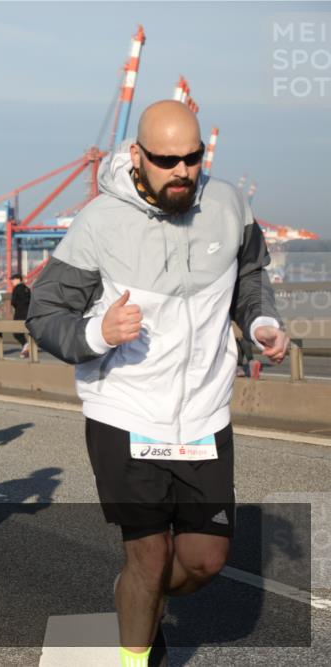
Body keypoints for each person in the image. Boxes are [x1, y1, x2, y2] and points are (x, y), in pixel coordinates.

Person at [26, 100, 289, 667]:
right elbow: (44, 314)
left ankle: (135, 602)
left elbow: (249, 276)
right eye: (168, 160)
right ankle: (133, 652)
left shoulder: (227, 204)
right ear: (138, 155)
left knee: (205, 560)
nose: (183, 172)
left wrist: (261, 320)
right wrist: (100, 331)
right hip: (124, 412)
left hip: (204, 416)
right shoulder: (99, 222)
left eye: (193, 158)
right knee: (147, 556)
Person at [9, 273, 32, 358]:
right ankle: (29, 347)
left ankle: (26, 345)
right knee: (29, 331)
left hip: (19, 313)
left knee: (16, 333)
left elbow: (13, 302)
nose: (11, 281)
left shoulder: (17, 289)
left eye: (13, 279)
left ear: (18, 279)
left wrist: (17, 306)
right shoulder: (27, 288)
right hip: (29, 313)